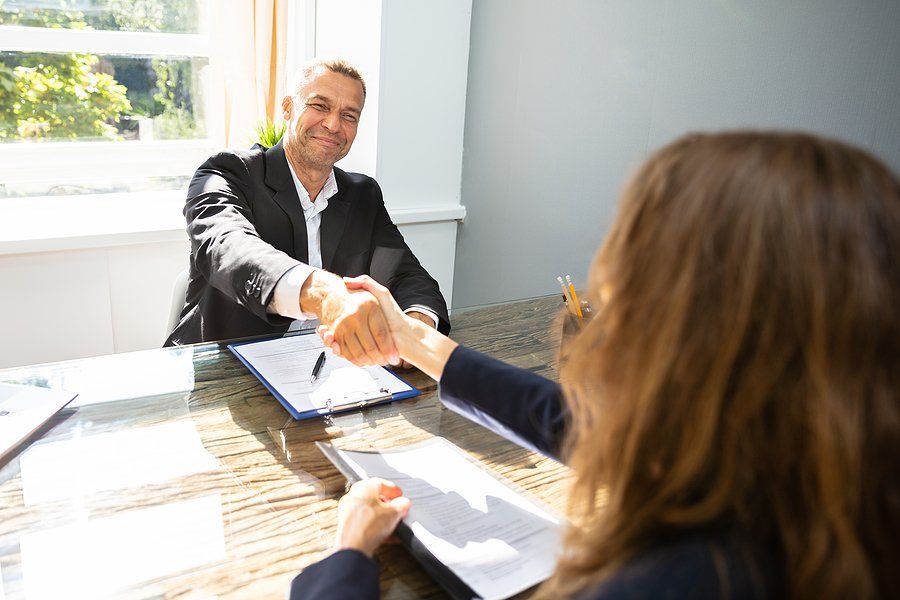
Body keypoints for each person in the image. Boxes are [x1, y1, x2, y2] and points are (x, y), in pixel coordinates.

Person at [292, 131, 900, 599]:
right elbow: (582, 423)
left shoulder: (666, 580)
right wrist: (411, 341)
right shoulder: (820, 482)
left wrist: (346, 557)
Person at [165, 58, 449, 367]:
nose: (333, 125)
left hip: (327, 371)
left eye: (349, 115)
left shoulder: (363, 194)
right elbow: (228, 248)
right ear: (288, 108)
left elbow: (406, 273)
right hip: (225, 372)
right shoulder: (228, 173)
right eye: (320, 106)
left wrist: (416, 324)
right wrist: (325, 294)